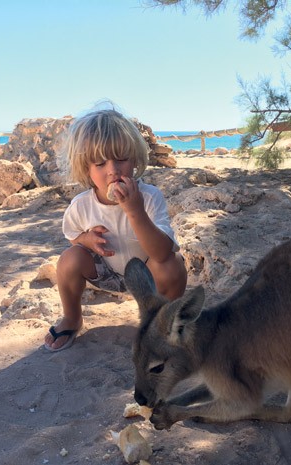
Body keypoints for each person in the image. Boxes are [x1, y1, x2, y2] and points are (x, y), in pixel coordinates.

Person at [44, 106, 187, 352]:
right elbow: (72, 235)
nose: (113, 170)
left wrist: (135, 211)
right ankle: (72, 317)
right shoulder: (82, 204)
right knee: (69, 259)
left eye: (121, 159)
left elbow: (163, 254)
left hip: (146, 275)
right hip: (106, 274)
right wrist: (87, 240)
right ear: (86, 169)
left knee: (174, 265)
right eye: (100, 163)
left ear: (135, 159)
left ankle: (162, 323)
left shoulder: (149, 198)